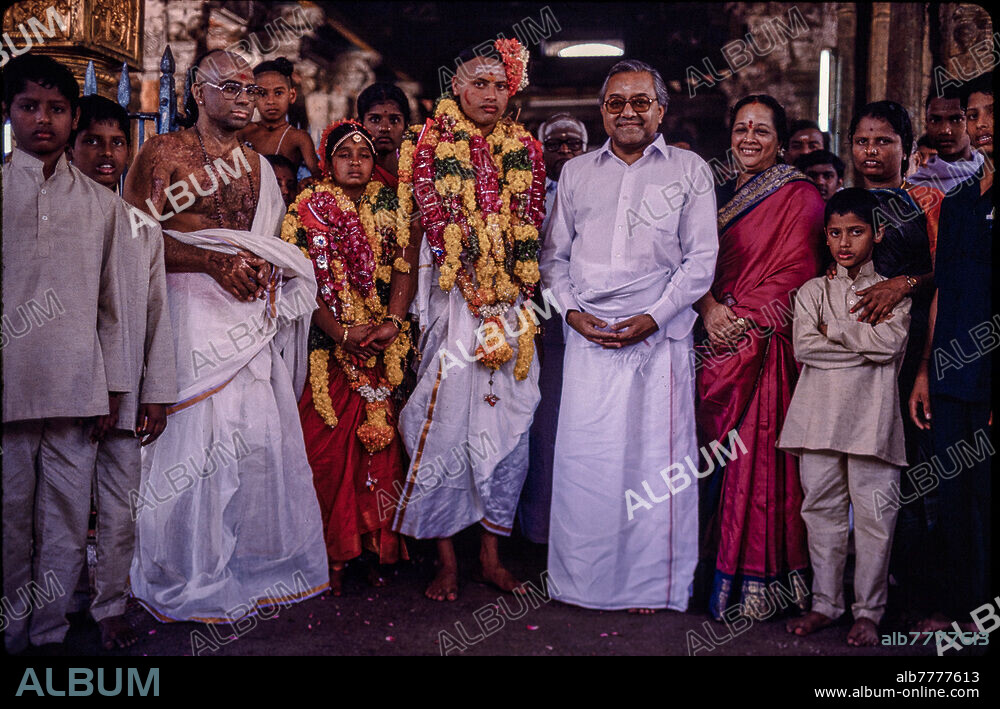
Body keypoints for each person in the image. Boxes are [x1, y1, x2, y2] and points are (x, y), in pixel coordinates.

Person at [123, 50, 329, 623]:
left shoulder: (261, 168)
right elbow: (135, 239)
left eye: (252, 90)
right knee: (193, 448)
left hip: (247, 323)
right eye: (233, 88)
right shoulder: (163, 154)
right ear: (196, 91)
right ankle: (185, 570)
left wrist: (266, 268)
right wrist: (210, 263)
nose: (247, 99)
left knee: (255, 441)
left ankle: (247, 566)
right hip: (189, 321)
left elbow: (266, 241)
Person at [541, 60, 718, 612]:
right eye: (616, 102)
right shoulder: (576, 173)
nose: (628, 112)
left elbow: (701, 260)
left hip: (657, 338)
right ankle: (581, 582)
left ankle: (652, 586)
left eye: (640, 101)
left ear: (661, 109)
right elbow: (553, 258)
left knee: (654, 466)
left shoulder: (689, 170)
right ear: (603, 112)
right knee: (585, 462)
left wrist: (655, 316)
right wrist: (571, 314)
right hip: (587, 335)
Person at [391, 39, 546, 601]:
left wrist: (508, 295)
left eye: (500, 84)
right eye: (479, 83)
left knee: (509, 425)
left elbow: (533, 224)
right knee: (445, 424)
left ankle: (491, 555)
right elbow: (428, 220)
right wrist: (472, 292)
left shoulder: (526, 147)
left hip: (510, 307)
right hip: (452, 301)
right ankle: (447, 558)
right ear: (456, 88)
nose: (490, 94)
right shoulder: (428, 140)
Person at [1, 54, 131, 652]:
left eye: (56, 108)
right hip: (9, 385)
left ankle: (49, 634)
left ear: (72, 115)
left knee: (64, 521)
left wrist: (110, 387)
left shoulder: (103, 208)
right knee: (8, 517)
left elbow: (111, 308)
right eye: (29, 106)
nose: (43, 120)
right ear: (9, 112)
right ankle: (11, 631)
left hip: (78, 388)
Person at [695, 94, 824, 620]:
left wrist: (739, 320)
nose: (749, 138)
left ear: (780, 140)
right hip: (715, 337)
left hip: (766, 351)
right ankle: (714, 574)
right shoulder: (719, 192)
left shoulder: (802, 196)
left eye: (763, 131)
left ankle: (765, 582)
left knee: (760, 462)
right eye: (742, 128)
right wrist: (709, 310)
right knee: (717, 466)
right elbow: (691, 261)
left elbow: (799, 273)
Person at [280, 120, 413, 595]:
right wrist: (340, 333)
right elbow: (299, 284)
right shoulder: (306, 209)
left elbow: (405, 268)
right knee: (326, 451)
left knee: (378, 450)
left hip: (380, 345)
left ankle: (377, 547)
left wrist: (391, 324)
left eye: (363, 153)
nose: (355, 161)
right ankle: (331, 552)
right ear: (326, 161)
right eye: (343, 153)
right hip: (329, 349)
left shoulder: (392, 203)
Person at [67, 95, 178, 649]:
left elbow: (156, 312)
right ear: (70, 144)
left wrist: (155, 393)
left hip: (128, 392)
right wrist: (92, 391)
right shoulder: (54, 220)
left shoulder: (141, 226)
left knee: (119, 505)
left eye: (117, 142)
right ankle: (55, 605)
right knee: (57, 509)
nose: (107, 153)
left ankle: (110, 604)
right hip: (68, 395)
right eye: (92, 141)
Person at [780, 188, 911, 647]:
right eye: (835, 232)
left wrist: (832, 330)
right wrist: (859, 345)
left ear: (876, 235)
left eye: (855, 231)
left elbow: (889, 346)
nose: (844, 242)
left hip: (872, 420)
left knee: (876, 519)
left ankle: (869, 612)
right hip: (816, 419)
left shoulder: (892, 290)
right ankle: (826, 604)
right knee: (820, 513)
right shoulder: (811, 292)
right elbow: (804, 348)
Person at [843, 100, 935, 623]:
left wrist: (904, 282)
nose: (871, 151)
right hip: (846, 356)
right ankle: (852, 596)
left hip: (907, 357)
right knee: (850, 471)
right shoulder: (841, 204)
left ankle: (909, 595)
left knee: (905, 468)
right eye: (862, 141)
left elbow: (948, 270)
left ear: (905, 147)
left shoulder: (925, 202)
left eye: (883, 141)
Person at [909, 74, 992, 634]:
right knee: (953, 498)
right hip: (948, 373)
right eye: (976, 113)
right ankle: (960, 610)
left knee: (990, 500)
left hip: (991, 377)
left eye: (989, 113)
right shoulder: (960, 200)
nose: (983, 124)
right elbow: (941, 287)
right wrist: (922, 372)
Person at [516, 111, 587, 545]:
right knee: (537, 422)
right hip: (535, 320)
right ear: (540, 150)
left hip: (582, 321)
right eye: (555, 144)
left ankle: (576, 526)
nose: (564, 151)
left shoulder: (593, 189)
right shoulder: (527, 195)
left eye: (572, 144)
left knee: (573, 421)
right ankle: (536, 529)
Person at [238, 57, 319, 176]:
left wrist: (307, 183)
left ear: (292, 95)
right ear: (253, 97)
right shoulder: (243, 132)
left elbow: (320, 178)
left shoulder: (298, 138)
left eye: (278, 93)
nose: (271, 101)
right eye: (263, 94)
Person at [908, 88, 985, 193]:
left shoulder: (988, 173)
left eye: (956, 119)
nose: (945, 130)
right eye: (935, 120)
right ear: (926, 123)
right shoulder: (913, 182)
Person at [357, 82, 411, 187]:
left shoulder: (417, 174)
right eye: (375, 119)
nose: (384, 128)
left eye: (394, 120)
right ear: (360, 124)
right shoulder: (351, 175)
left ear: (406, 126)